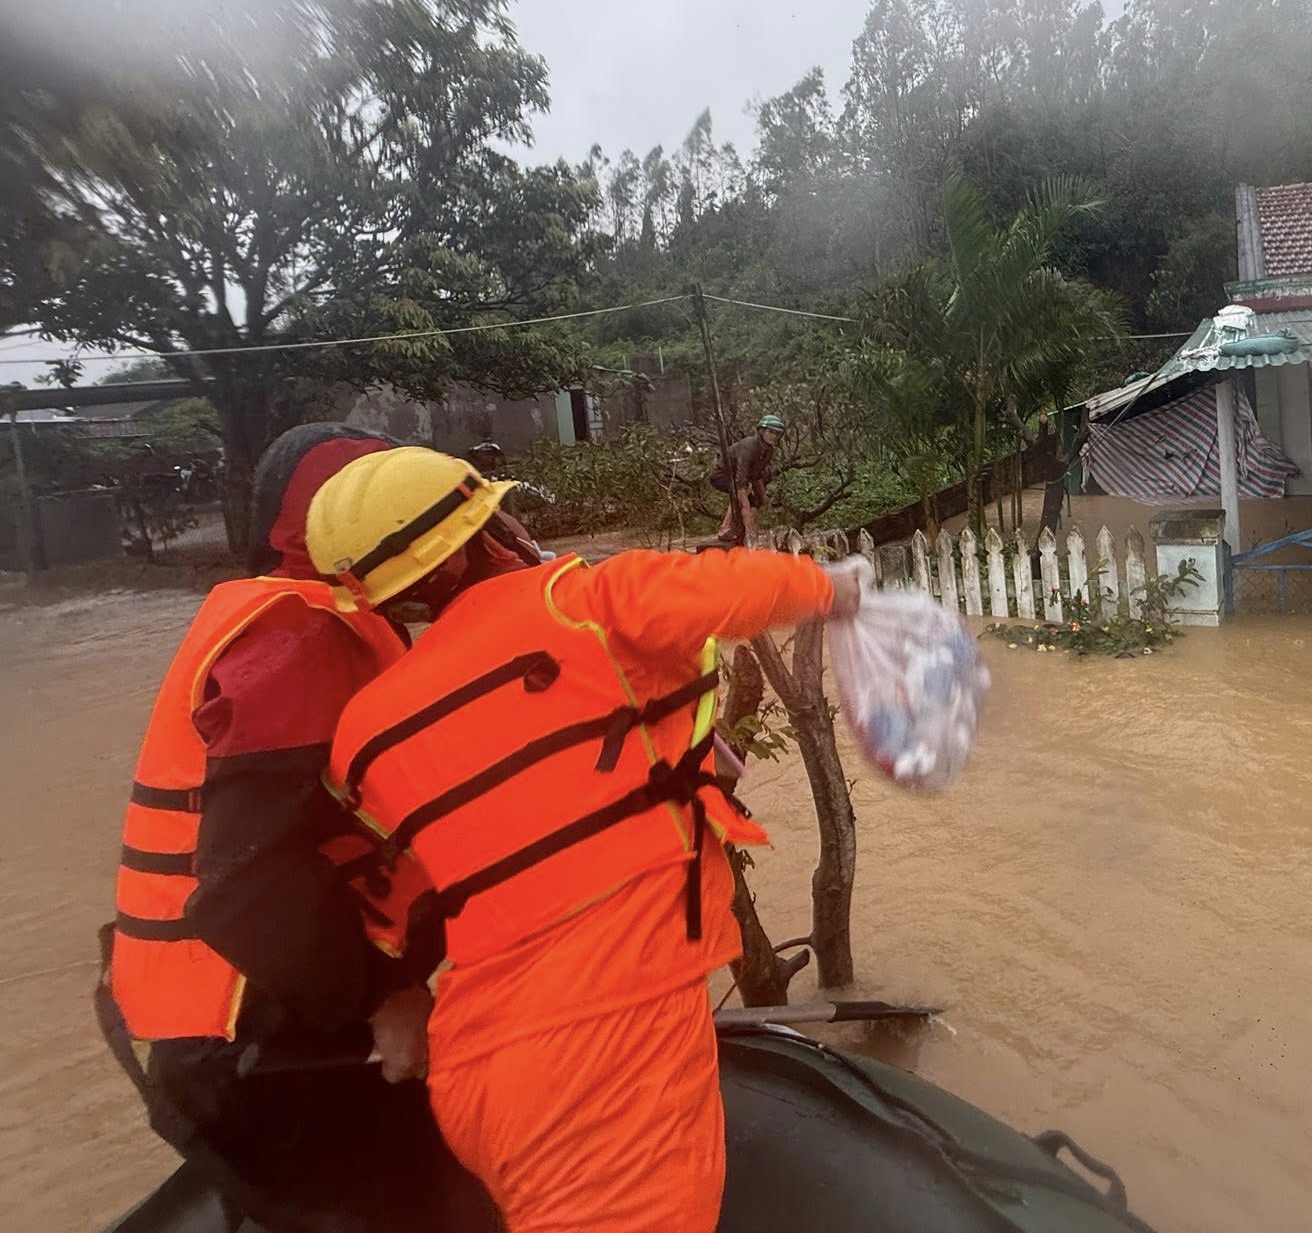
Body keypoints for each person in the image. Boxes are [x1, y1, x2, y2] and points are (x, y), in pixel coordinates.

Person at [306, 446, 861, 1233]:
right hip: (608, 1057)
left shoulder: (362, 732)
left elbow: (380, 891)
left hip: (473, 1062)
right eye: (502, 512)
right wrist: (833, 587)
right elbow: (723, 587)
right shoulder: (579, 601)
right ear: (480, 538)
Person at [97, 423, 499, 1232]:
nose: (452, 554)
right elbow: (246, 883)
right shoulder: (299, 638)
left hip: (284, 1009)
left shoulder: (325, 621)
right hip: (257, 1038)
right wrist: (383, 1000)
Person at [715, 413, 785, 545]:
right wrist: (745, 507)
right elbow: (741, 479)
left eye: (777, 433)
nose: (774, 436)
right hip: (722, 475)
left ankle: (750, 537)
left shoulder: (768, 451)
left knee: (754, 503)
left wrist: (763, 497)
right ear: (762, 431)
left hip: (741, 480)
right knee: (744, 496)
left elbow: (756, 475)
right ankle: (725, 528)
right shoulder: (748, 446)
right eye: (771, 432)